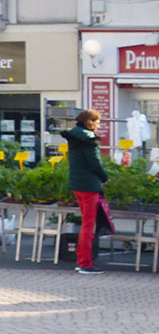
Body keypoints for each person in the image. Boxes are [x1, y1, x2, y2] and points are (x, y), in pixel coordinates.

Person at [61, 109, 109, 275]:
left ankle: (81, 260)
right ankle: (85, 263)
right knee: (89, 226)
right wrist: (104, 177)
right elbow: (95, 163)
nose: (99, 125)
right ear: (90, 122)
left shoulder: (74, 136)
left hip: (77, 184)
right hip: (89, 186)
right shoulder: (89, 139)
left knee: (85, 224)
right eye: (97, 121)